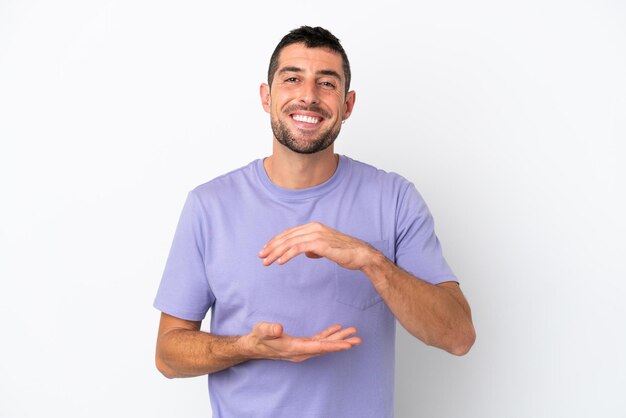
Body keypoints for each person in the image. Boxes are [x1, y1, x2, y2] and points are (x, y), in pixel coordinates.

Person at [154, 25, 475, 417]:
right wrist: (246, 347)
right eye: (292, 79)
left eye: (327, 83)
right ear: (266, 96)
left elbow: (458, 336)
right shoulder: (209, 205)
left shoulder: (394, 199)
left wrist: (368, 259)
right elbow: (169, 355)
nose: (308, 95)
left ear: (348, 104)